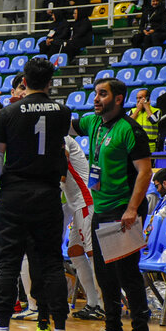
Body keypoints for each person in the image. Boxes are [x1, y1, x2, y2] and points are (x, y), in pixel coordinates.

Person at [0, 58, 72, 331]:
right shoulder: (63, 113)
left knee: (7, 263)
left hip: (14, 195)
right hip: (47, 195)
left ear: (25, 79)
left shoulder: (8, 113)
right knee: (52, 264)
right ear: (50, 82)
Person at [73, 77, 153, 331]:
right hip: (101, 208)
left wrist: (132, 209)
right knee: (104, 274)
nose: (96, 98)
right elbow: (67, 124)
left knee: (127, 274)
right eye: (96, 93)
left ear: (118, 99)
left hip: (122, 210)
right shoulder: (93, 123)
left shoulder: (130, 130)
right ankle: (113, 329)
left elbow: (145, 172)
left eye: (103, 94)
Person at [62, 135, 105, 320]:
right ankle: (92, 302)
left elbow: (61, 166)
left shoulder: (61, 137)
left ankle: (104, 306)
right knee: (75, 251)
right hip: (76, 204)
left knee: (92, 252)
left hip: (86, 201)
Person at [128, 89, 161, 153]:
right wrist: (138, 110)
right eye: (137, 98)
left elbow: (154, 120)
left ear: (147, 98)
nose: (138, 100)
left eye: (140, 98)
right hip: (135, 144)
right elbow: (128, 123)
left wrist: (147, 107)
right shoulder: (133, 111)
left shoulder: (156, 111)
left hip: (150, 145)